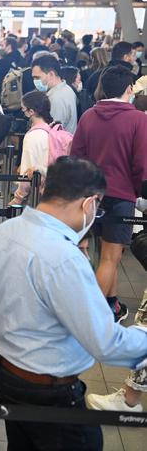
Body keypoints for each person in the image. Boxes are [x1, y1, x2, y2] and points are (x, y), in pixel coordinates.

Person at [0, 156, 147, 451]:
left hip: (7, 373)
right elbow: (106, 343)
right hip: (49, 392)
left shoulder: (3, 234)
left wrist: (0, 366)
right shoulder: (63, 257)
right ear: (89, 203)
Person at [72, 65, 147, 322]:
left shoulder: (89, 116)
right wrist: (136, 191)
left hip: (88, 195)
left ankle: (112, 304)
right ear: (129, 88)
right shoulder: (138, 119)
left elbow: (76, 156)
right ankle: (93, 318)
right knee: (109, 258)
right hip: (120, 195)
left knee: (102, 254)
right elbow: (140, 164)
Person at [10, 91, 53, 205]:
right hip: (52, 189)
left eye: (24, 110)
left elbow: (28, 170)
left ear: (31, 112)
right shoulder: (52, 130)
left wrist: (18, 198)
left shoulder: (32, 136)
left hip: (35, 193)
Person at [31, 54, 78, 133]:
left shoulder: (56, 99)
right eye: (34, 78)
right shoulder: (67, 89)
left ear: (51, 74)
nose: (35, 81)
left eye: (37, 77)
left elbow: (51, 131)